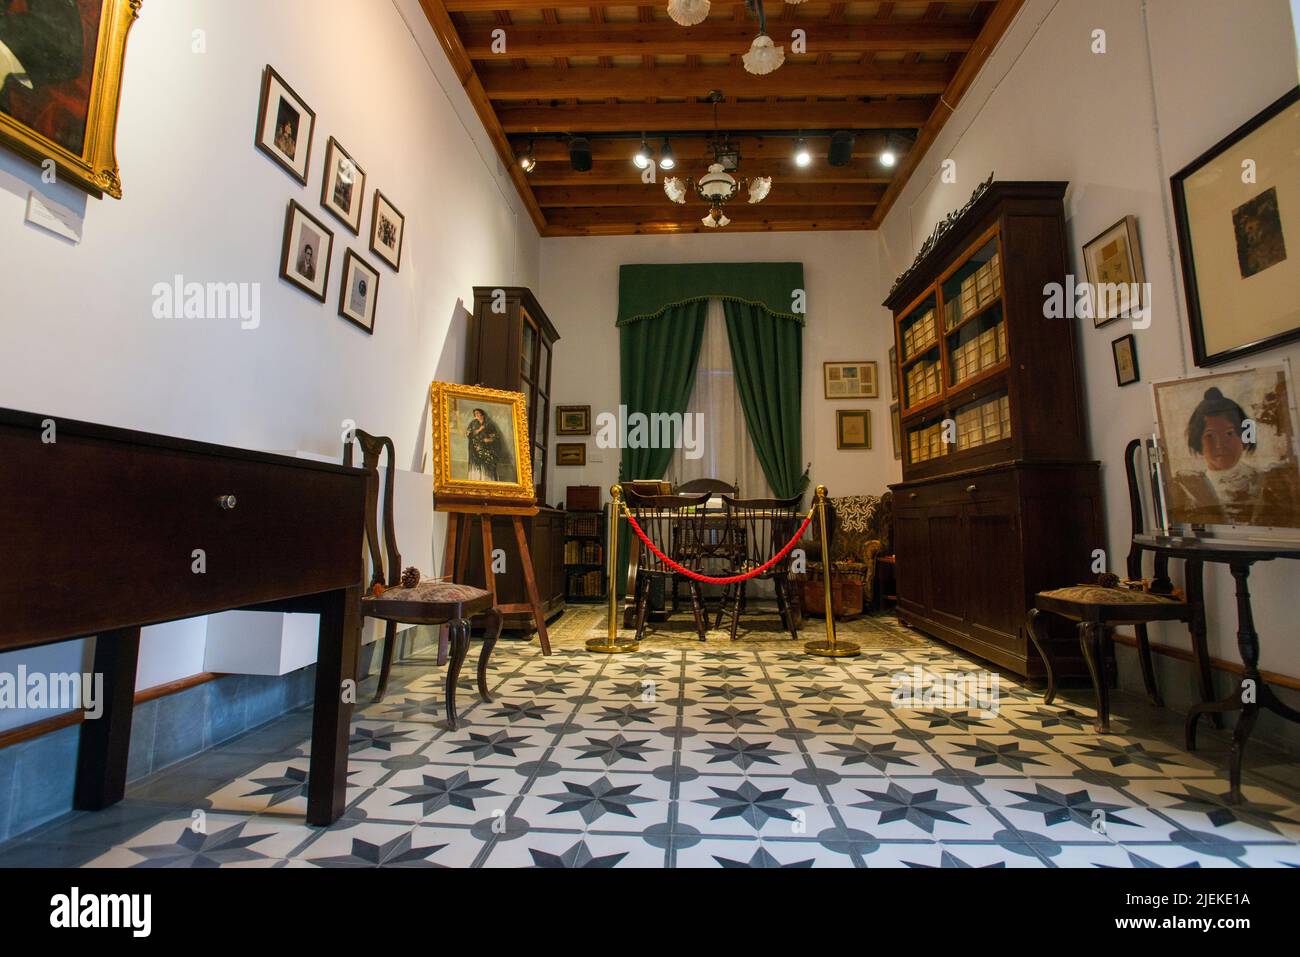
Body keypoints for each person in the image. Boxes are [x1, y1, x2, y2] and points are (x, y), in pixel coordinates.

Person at [1168, 386, 1300, 528]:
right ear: (1197, 441)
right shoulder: (1188, 489)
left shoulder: (1269, 482)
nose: (1220, 444)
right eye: (1210, 436)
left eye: (1229, 433)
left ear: (1244, 437)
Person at [466, 407, 510, 482]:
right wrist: (479, 429)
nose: (476, 415)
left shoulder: (489, 424)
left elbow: (496, 436)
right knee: (477, 464)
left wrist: (489, 440)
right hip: (475, 448)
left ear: (482, 415)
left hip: (487, 448)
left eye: (478, 413)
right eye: (475, 414)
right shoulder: (473, 423)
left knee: (488, 464)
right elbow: (468, 433)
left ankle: (488, 481)